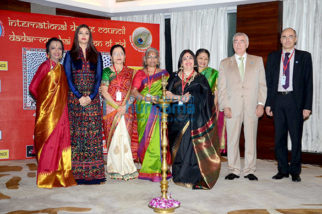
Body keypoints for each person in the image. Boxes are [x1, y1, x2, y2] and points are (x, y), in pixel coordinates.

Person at [166, 49, 220, 189]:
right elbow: (166, 94)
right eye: (185, 58)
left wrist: (194, 100)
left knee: (190, 149)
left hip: (193, 119)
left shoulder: (200, 78)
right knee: (177, 149)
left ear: (194, 62)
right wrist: (179, 98)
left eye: (190, 58)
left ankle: (191, 176)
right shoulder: (174, 77)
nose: (188, 60)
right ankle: (178, 175)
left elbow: (207, 99)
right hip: (175, 118)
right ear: (181, 62)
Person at [265, 28, 313, 182]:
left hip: (295, 101)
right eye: (284, 37)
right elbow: (269, 82)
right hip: (278, 100)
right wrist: (268, 103)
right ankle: (282, 169)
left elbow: (308, 83)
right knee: (279, 137)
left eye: (290, 36)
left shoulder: (304, 57)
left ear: (295, 39)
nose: (287, 40)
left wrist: (307, 106)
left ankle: (295, 171)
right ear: (280, 40)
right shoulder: (273, 57)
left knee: (296, 137)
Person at [218, 32, 267, 181]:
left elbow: (262, 85)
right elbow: (222, 88)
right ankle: (233, 169)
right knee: (232, 139)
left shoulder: (257, 61)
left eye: (242, 41)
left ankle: (249, 169)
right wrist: (225, 106)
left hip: (252, 106)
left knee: (251, 138)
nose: (238, 44)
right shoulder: (225, 63)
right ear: (233, 44)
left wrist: (261, 104)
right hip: (232, 107)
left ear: (247, 44)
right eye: (236, 41)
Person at [29, 37, 76, 188]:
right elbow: (33, 88)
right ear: (47, 52)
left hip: (62, 112)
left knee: (61, 142)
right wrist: (45, 103)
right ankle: (46, 177)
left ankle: (61, 174)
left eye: (59, 48)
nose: (57, 51)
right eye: (53, 48)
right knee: (49, 144)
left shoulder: (62, 69)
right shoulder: (44, 66)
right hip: (48, 115)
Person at [63, 24, 105, 184]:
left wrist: (92, 95)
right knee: (78, 135)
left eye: (86, 33)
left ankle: (95, 174)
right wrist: (79, 96)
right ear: (76, 36)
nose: (83, 35)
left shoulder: (97, 54)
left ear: (90, 36)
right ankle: (78, 174)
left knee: (93, 134)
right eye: (80, 33)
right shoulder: (70, 55)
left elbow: (98, 77)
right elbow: (68, 78)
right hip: (75, 99)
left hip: (93, 100)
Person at [131, 48, 171, 182]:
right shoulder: (140, 74)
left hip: (158, 108)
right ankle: (147, 167)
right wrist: (144, 98)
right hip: (143, 108)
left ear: (158, 59)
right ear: (145, 59)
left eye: (155, 57)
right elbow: (134, 92)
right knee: (145, 137)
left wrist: (158, 98)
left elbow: (168, 91)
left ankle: (157, 168)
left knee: (157, 138)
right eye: (149, 57)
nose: (152, 59)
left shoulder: (164, 74)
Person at [101, 44, 138, 180]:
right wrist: (117, 106)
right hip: (111, 109)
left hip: (127, 109)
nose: (118, 56)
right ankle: (114, 168)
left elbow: (134, 93)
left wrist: (125, 106)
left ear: (125, 56)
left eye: (121, 53)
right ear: (111, 56)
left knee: (125, 138)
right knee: (115, 138)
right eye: (115, 53)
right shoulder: (106, 72)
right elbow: (104, 91)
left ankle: (128, 167)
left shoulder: (131, 72)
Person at [196, 48, 227, 155]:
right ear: (196, 58)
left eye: (206, 59)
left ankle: (208, 155)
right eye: (200, 58)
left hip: (209, 106)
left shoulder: (213, 73)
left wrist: (213, 108)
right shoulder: (191, 72)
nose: (203, 61)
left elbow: (216, 92)